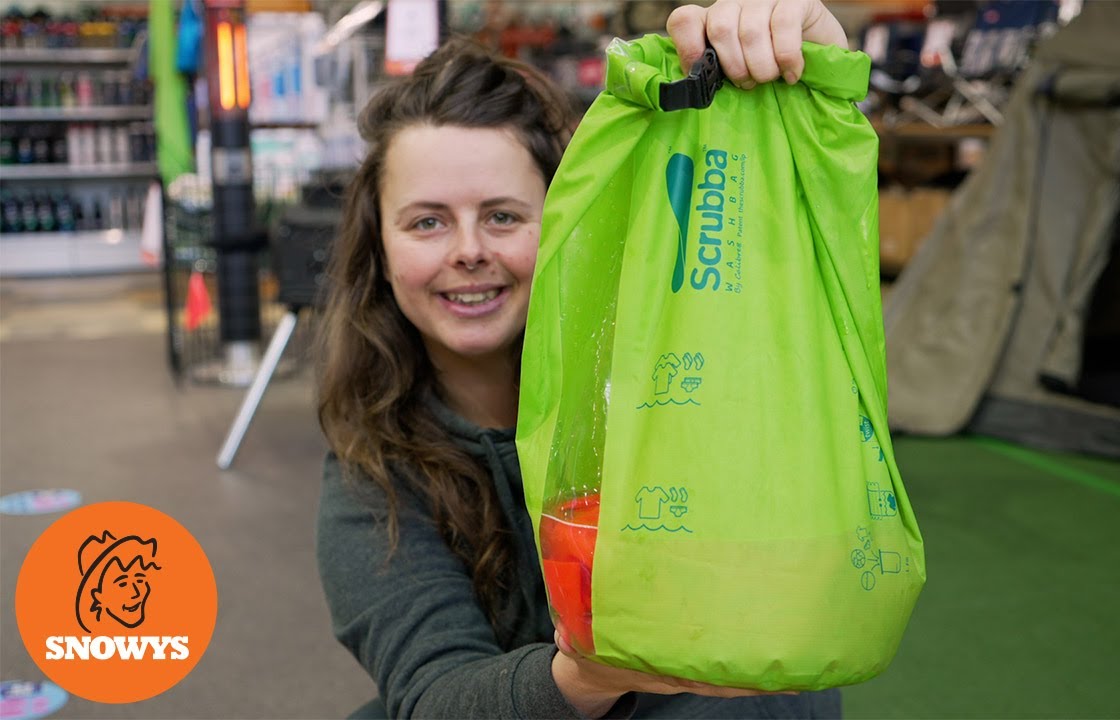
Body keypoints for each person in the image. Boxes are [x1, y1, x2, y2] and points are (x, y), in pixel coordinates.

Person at [315, 2, 849, 717]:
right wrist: (591, 675)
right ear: (380, 253)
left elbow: (786, 256)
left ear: (571, 229)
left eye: (503, 215)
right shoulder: (369, 470)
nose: (469, 249)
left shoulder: (671, 380)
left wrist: (814, 72)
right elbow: (434, 693)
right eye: (427, 222)